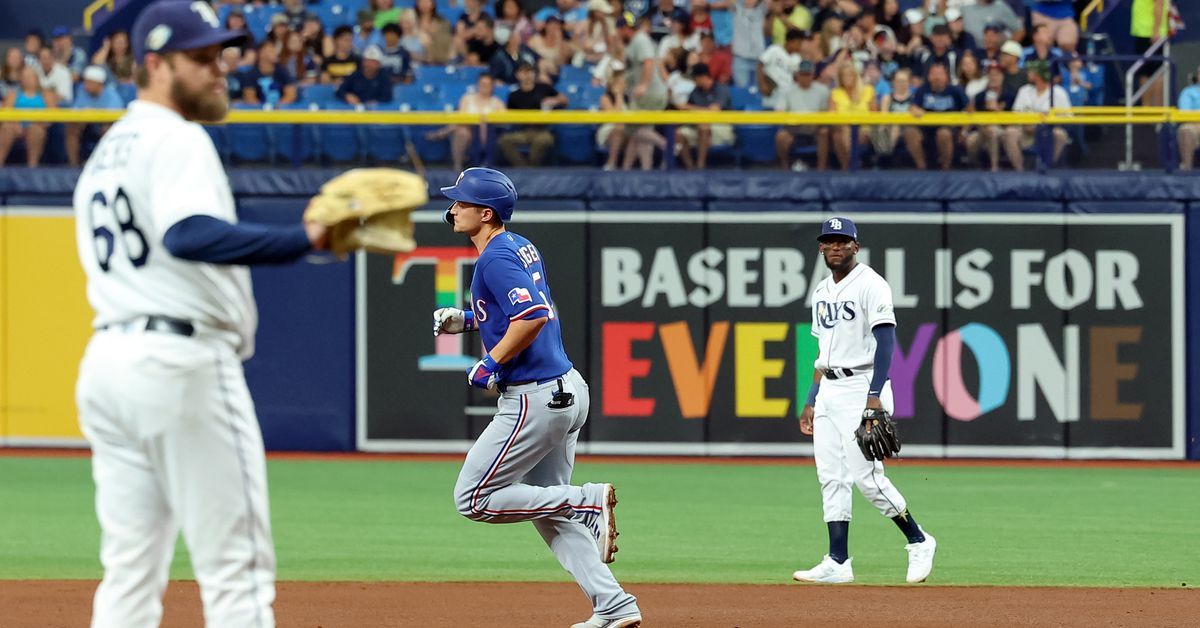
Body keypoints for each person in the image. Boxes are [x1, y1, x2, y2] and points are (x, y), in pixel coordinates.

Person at [72, 3, 330, 626]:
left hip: (108, 365)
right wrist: (305, 238)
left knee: (129, 573)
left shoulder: (106, 151)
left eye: (220, 56)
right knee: (236, 572)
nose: (220, 70)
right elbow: (186, 235)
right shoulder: (177, 137)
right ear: (154, 64)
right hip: (179, 363)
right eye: (201, 58)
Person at [435, 167, 642, 628]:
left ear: (484, 213)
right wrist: (469, 321)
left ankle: (587, 499)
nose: (452, 209)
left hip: (535, 399)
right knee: (546, 508)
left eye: (460, 203)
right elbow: (518, 309)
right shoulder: (516, 245)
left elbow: (532, 314)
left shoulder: (494, 258)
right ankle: (614, 605)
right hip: (566, 389)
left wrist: (489, 363)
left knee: (474, 498)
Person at [793, 216, 937, 586]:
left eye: (843, 241)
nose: (836, 247)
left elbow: (886, 341)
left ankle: (919, 540)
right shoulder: (821, 291)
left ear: (856, 246)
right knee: (831, 477)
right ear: (821, 247)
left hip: (862, 386)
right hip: (829, 389)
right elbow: (822, 352)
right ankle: (838, 561)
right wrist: (811, 399)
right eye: (829, 241)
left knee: (867, 479)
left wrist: (874, 397)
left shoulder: (872, 285)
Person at [427, 73, 507, 171]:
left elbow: (503, 121)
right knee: (462, 132)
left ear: (492, 86)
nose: (484, 87)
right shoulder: (467, 98)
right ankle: (457, 166)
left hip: (488, 134)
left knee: (483, 127)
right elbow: (462, 117)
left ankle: (441, 133)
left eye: (487, 85)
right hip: (468, 130)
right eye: (481, 84)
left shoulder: (497, 102)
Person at [1005, 59, 1071, 171]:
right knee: (1009, 133)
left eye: (1031, 71)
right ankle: (1020, 171)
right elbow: (1015, 113)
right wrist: (1026, 124)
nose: (1028, 74)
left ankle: (1046, 168)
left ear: (1039, 74)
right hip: (1026, 131)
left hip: (1048, 131)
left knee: (1060, 135)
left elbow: (1068, 117)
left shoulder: (1058, 92)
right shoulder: (1024, 90)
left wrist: (1046, 124)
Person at [499, 62, 568, 166]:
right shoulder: (514, 95)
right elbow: (508, 117)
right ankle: (523, 168)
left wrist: (554, 100)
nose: (527, 75)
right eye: (523, 72)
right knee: (504, 140)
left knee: (543, 140)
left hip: (543, 130)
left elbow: (565, 100)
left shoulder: (544, 88)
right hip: (523, 131)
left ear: (534, 74)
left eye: (530, 71)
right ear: (517, 75)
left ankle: (532, 168)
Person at [904, 61, 967, 170]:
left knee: (943, 133)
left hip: (948, 127)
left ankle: (946, 168)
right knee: (910, 132)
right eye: (934, 74)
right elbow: (912, 107)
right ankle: (921, 166)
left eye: (940, 74)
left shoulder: (955, 91)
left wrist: (964, 131)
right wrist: (915, 110)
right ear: (929, 76)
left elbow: (970, 110)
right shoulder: (922, 90)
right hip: (926, 127)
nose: (937, 77)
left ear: (946, 76)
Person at [773, 60, 830, 171]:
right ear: (797, 75)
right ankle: (784, 167)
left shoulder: (822, 90)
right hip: (793, 128)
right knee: (781, 136)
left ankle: (821, 168)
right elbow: (779, 112)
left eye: (808, 74)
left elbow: (825, 112)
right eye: (803, 74)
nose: (805, 77)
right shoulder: (786, 90)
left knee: (824, 132)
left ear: (813, 75)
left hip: (814, 128)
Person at [674, 63, 732, 169]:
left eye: (695, 78)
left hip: (720, 127)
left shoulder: (720, 89)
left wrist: (690, 108)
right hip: (696, 126)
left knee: (703, 127)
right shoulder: (695, 92)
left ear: (703, 77)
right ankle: (690, 168)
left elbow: (714, 111)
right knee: (679, 133)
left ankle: (701, 166)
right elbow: (687, 112)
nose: (694, 82)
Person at [66, 65, 125, 166]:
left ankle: (106, 163)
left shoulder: (111, 94)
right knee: (72, 128)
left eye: (89, 83)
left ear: (98, 84)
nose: (85, 85)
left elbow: (115, 114)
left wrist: (93, 112)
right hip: (87, 125)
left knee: (107, 129)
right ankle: (73, 164)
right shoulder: (83, 92)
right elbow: (75, 111)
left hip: (104, 125)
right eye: (85, 82)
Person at [964, 62, 1016, 171]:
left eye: (997, 74)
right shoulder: (980, 96)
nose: (993, 78)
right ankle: (976, 167)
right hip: (981, 130)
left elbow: (1013, 120)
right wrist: (965, 130)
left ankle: (994, 167)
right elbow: (972, 117)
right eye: (991, 75)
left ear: (1002, 77)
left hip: (1003, 130)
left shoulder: (1010, 95)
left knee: (993, 130)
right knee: (970, 140)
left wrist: (997, 111)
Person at [0, 66, 55, 167]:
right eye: (25, 77)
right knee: (6, 128)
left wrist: (36, 123)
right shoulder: (13, 95)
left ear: (36, 78)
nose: (28, 79)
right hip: (16, 126)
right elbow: (6, 112)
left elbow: (52, 115)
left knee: (35, 130)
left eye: (30, 76)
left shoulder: (46, 95)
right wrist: (15, 124)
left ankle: (32, 166)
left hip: (37, 125)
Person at [828, 61, 875, 170]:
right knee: (839, 135)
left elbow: (874, 114)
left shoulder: (868, 90)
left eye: (850, 75)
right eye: (844, 75)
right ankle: (848, 166)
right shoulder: (835, 93)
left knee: (851, 132)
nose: (847, 78)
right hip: (842, 128)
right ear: (840, 78)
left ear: (855, 76)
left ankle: (852, 165)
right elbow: (831, 116)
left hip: (864, 129)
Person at [240, 40, 298, 106]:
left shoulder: (283, 72)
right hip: (259, 114)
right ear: (261, 53)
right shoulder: (250, 75)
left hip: (280, 112)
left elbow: (291, 95)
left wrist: (277, 109)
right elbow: (250, 99)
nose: (275, 52)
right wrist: (265, 110)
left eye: (274, 49)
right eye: (270, 50)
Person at [758, 28, 803, 109]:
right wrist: (762, 84)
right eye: (798, 43)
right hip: (772, 89)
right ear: (790, 42)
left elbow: (796, 77)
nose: (800, 46)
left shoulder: (797, 58)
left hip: (787, 92)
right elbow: (760, 64)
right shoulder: (775, 49)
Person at [596, 69, 631, 171]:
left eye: (624, 83)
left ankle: (627, 167)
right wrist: (618, 95)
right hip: (609, 129)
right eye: (620, 83)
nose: (623, 85)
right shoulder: (605, 98)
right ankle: (611, 163)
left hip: (628, 129)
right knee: (618, 129)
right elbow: (615, 116)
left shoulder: (629, 98)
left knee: (639, 133)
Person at [731, 0, 767, 88]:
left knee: (758, 91)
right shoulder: (737, 8)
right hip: (740, 57)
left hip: (759, 58)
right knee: (742, 90)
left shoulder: (762, 9)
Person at [1178, 68, 1200, 171]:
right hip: (1194, 125)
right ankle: (1187, 170)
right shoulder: (1188, 92)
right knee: (1185, 130)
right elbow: (1185, 113)